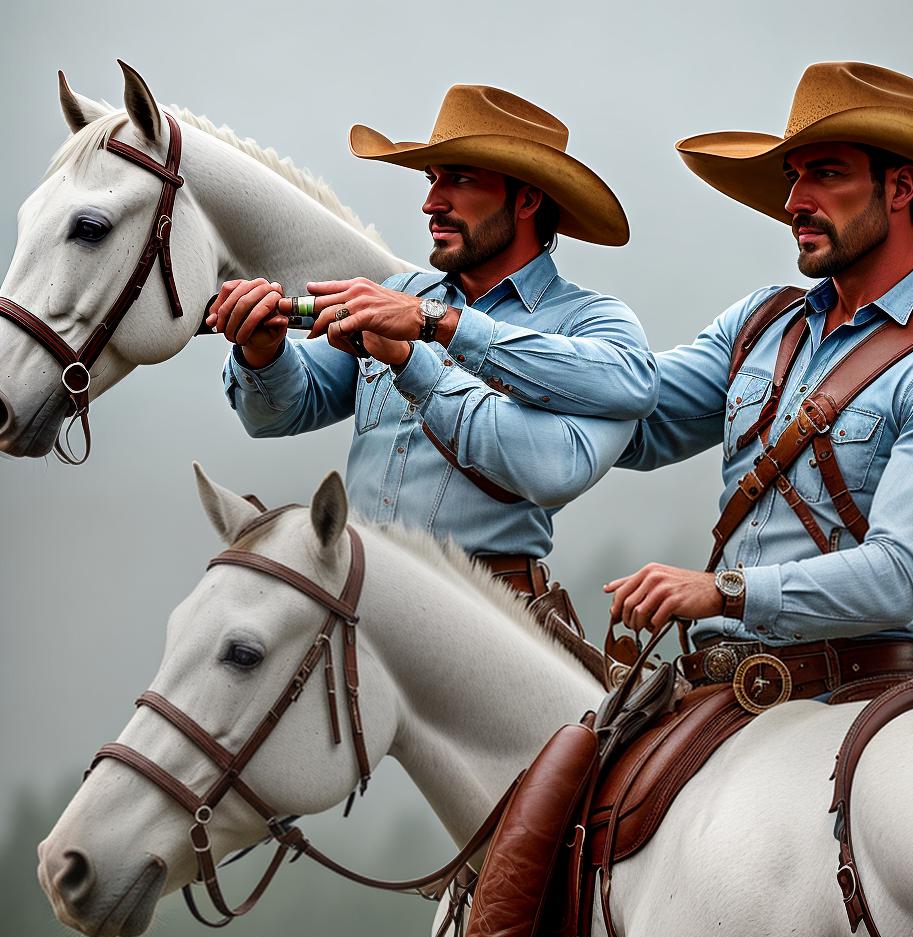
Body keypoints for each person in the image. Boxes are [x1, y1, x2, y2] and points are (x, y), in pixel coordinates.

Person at [606, 61, 913, 708]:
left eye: (826, 173)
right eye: (792, 176)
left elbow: (897, 578)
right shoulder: (760, 323)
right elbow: (631, 422)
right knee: (555, 798)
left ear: (900, 187)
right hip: (711, 691)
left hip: (850, 697)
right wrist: (438, 344)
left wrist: (724, 591)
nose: (792, 202)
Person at [206, 85, 655, 639]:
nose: (431, 202)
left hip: (491, 625)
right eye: (432, 179)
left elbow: (549, 471)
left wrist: (417, 349)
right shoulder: (398, 292)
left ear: (528, 199)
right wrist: (262, 349)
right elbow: (278, 414)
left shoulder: (593, 325)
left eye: (460, 179)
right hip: (357, 608)